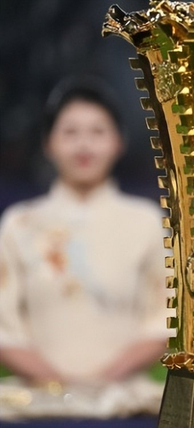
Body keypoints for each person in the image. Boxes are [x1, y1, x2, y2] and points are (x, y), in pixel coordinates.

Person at [0, 78, 172, 421]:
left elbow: (165, 317)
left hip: (125, 404)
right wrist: (60, 385)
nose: (84, 144)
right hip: (35, 406)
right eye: (70, 132)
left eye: (97, 131)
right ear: (48, 143)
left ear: (118, 142)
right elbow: (3, 324)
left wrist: (103, 381)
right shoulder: (20, 224)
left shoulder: (145, 221)